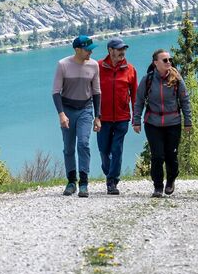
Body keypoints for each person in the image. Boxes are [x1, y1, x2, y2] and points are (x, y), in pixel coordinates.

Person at [132, 49, 191, 198]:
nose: (169, 62)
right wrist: (136, 120)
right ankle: (158, 186)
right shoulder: (148, 79)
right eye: (165, 60)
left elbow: (185, 100)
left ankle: (170, 180)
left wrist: (188, 122)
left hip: (173, 123)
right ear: (155, 63)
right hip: (153, 123)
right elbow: (139, 101)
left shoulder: (176, 78)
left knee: (171, 155)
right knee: (157, 156)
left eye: (170, 59)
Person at [52, 35, 102, 197]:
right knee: (68, 147)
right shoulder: (63, 65)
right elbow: (55, 92)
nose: (90, 53)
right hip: (67, 110)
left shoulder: (94, 66)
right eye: (87, 50)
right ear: (77, 49)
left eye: (91, 49)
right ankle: (71, 181)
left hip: (85, 110)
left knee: (83, 143)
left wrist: (97, 116)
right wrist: (61, 114)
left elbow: (96, 92)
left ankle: (84, 183)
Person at [98, 37, 138, 195]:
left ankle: (112, 181)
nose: (122, 52)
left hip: (122, 117)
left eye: (124, 49)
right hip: (102, 117)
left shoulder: (130, 69)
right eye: (119, 49)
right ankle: (109, 172)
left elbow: (135, 95)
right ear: (110, 50)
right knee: (103, 149)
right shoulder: (98, 66)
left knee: (117, 149)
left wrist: (136, 118)